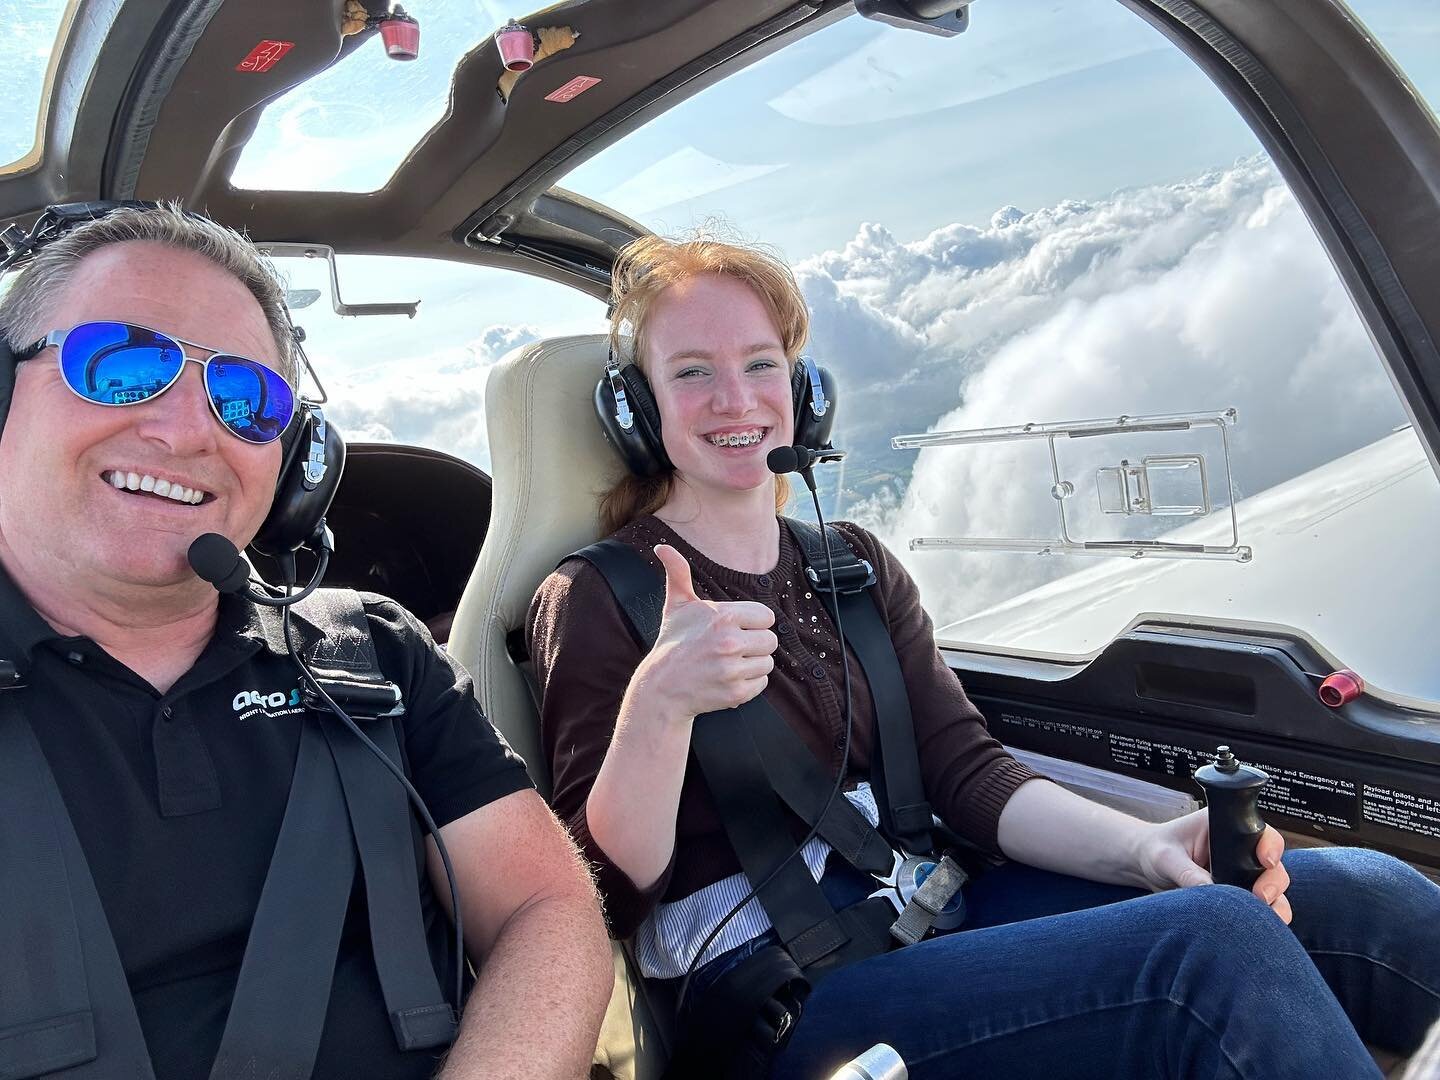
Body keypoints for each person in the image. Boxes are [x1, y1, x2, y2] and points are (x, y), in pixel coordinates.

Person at [527, 234, 1440, 1079]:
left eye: (761, 364)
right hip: (778, 1006)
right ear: (639, 410)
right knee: (1216, 945)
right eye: (692, 373)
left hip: (930, 912)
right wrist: (660, 707)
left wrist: (1147, 852)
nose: (736, 399)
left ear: (802, 389)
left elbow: (966, 774)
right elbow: (598, 896)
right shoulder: (602, 598)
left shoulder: (851, 567)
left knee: (1361, 890)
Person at [0, 204, 612, 1080]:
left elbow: (544, 905)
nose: (184, 430)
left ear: (289, 465)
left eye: (246, 398)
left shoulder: (376, 651)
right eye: (123, 364)